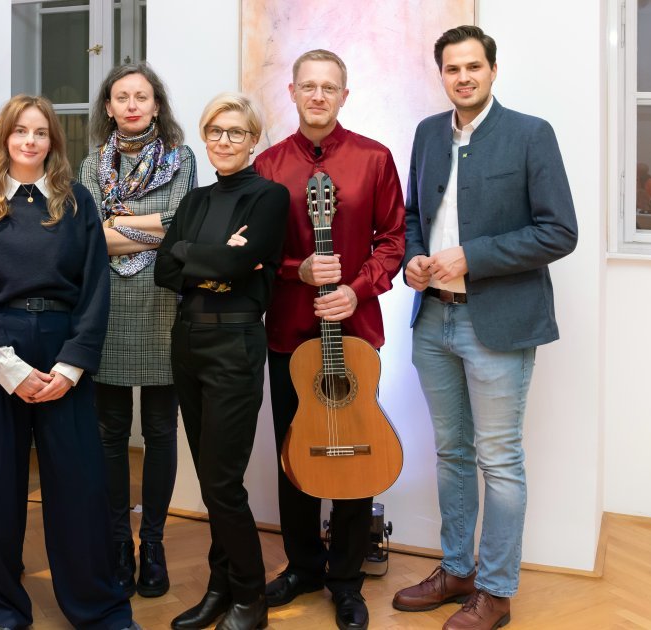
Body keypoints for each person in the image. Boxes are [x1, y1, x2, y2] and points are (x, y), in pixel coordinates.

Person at [393, 26, 577, 630]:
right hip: (433, 319)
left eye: (473, 66)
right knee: (451, 453)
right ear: (441, 75)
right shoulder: (426, 133)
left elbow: (559, 232)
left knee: (498, 460)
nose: (463, 77)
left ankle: (496, 592)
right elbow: (414, 217)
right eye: (452, 68)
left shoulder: (530, 134)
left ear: (493, 70)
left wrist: (472, 257)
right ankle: (457, 570)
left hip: (498, 323)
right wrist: (412, 260)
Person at [0, 94, 138, 630]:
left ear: (53, 140)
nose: (30, 141)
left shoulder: (76, 202)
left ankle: (97, 607)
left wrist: (71, 366)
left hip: (63, 351)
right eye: (19, 131)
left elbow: (95, 288)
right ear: (4, 139)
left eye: (40, 132)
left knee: (79, 487)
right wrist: (9, 369)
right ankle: (3, 609)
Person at [253, 49, 405, 630]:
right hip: (289, 336)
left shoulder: (375, 159)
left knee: (357, 454)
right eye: (308, 86)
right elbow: (256, 252)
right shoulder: (267, 166)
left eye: (329, 87)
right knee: (296, 453)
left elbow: (394, 239)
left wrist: (357, 289)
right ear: (292, 92)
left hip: (355, 338)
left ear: (345, 95)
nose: (318, 96)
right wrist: (299, 270)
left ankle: (346, 577)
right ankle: (302, 566)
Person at [156, 92, 288, 630]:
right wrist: (214, 259)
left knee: (221, 482)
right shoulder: (194, 201)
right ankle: (220, 587)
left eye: (236, 132)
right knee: (212, 480)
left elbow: (236, 267)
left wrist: (194, 254)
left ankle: (250, 598)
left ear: (253, 140)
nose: (224, 141)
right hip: (187, 341)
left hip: (234, 344)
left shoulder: (269, 197)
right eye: (215, 131)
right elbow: (164, 270)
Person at [78, 62, 196, 598]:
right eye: (121, 97)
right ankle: (116, 544)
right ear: (108, 107)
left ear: (156, 105)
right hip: (107, 306)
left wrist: (118, 224)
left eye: (141, 97)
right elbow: (89, 238)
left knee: (161, 432)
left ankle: (153, 543)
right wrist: (151, 228)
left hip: (164, 303)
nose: (131, 105)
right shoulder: (91, 165)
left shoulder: (181, 158)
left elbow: (182, 227)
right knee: (108, 434)